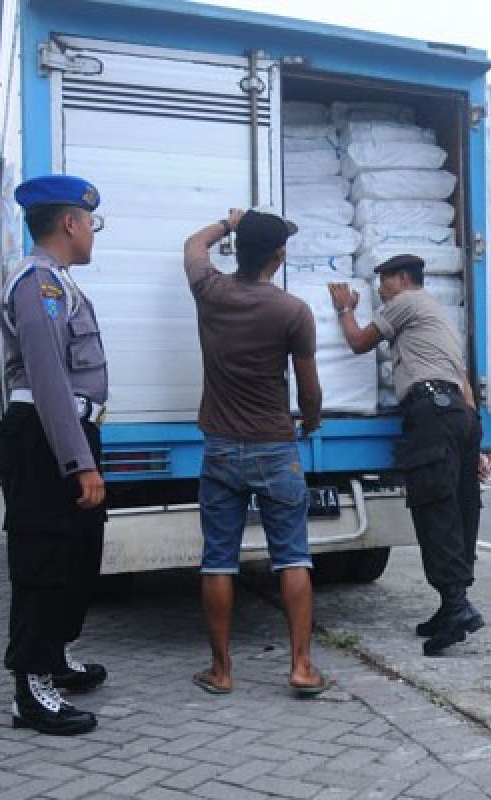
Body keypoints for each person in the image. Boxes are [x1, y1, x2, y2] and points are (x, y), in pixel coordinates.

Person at [184, 208, 326, 696]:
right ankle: (302, 667)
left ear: (238, 250)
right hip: (274, 446)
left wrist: (226, 223)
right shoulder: (292, 311)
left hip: (220, 448)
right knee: (291, 557)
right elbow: (309, 388)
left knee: (218, 561)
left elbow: (192, 246)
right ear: (280, 256)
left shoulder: (211, 291)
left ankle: (222, 671)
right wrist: (311, 420)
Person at [328, 254, 491, 656]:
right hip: (459, 412)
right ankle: (451, 602)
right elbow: (465, 382)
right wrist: (476, 443)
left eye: (382, 282)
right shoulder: (437, 315)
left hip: (432, 414)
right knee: (459, 509)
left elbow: (359, 342)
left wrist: (345, 309)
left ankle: (456, 606)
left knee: (434, 509)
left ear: (402, 279)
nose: (380, 291)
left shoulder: (406, 302)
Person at [0, 174, 110, 736]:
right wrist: (78, 461)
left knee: (78, 554)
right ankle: (30, 690)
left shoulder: (59, 282)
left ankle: (56, 657)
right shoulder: (37, 282)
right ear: (70, 223)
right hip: (45, 435)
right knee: (42, 560)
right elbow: (48, 378)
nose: (93, 232)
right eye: (91, 222)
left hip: (66, 432)